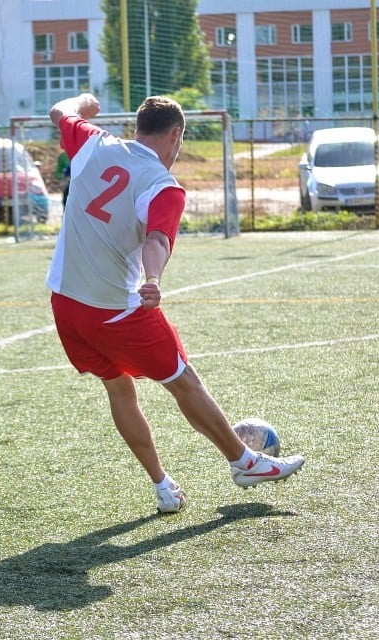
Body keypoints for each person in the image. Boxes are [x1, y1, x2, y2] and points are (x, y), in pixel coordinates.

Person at [46, 93, 305, 514]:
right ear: (175, 135)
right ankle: (245, 462)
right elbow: (157, 239)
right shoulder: (163, 185)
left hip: (64, 302)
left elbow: (61, 110)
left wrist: (85, 102)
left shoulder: (94, 141)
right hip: (115, 309)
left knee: (119, 389)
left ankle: (163, 486)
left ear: (137, 128)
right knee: (184, 381)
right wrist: (153, 279)